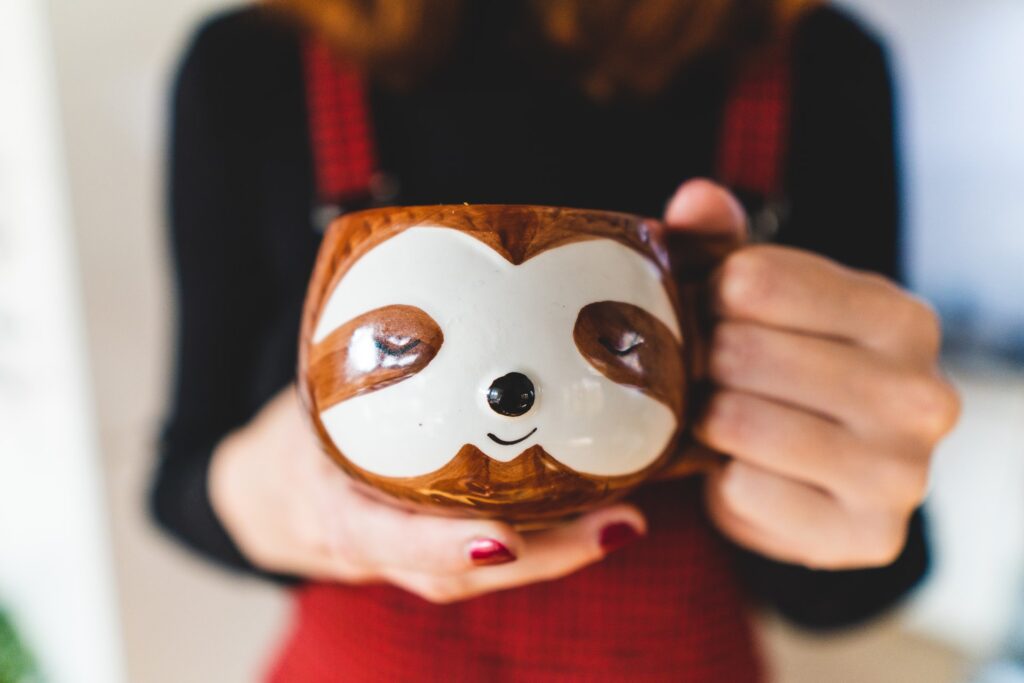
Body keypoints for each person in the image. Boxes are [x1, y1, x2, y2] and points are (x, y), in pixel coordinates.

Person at [152, 1, 960, 680]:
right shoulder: (251, 66)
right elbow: (181, 475)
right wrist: (260, 496)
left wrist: (842, 502)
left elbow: (855, 581)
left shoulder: (813, 62)